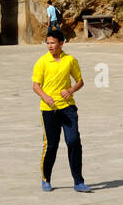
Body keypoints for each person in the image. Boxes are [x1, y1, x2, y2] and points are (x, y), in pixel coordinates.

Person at [31, 31, 89, 192]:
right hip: (49, 110)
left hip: (68, 108)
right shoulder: (42, 62)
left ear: (61, 43)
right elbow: (36, 86)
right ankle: (46, 178)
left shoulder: (70, 60)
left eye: (53, 43)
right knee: (51, 145)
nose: (50, 46)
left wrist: (70, 90)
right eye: (47, 43)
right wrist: (46, 97)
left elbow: (80, 81)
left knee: (73, 141)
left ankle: (78, 181)